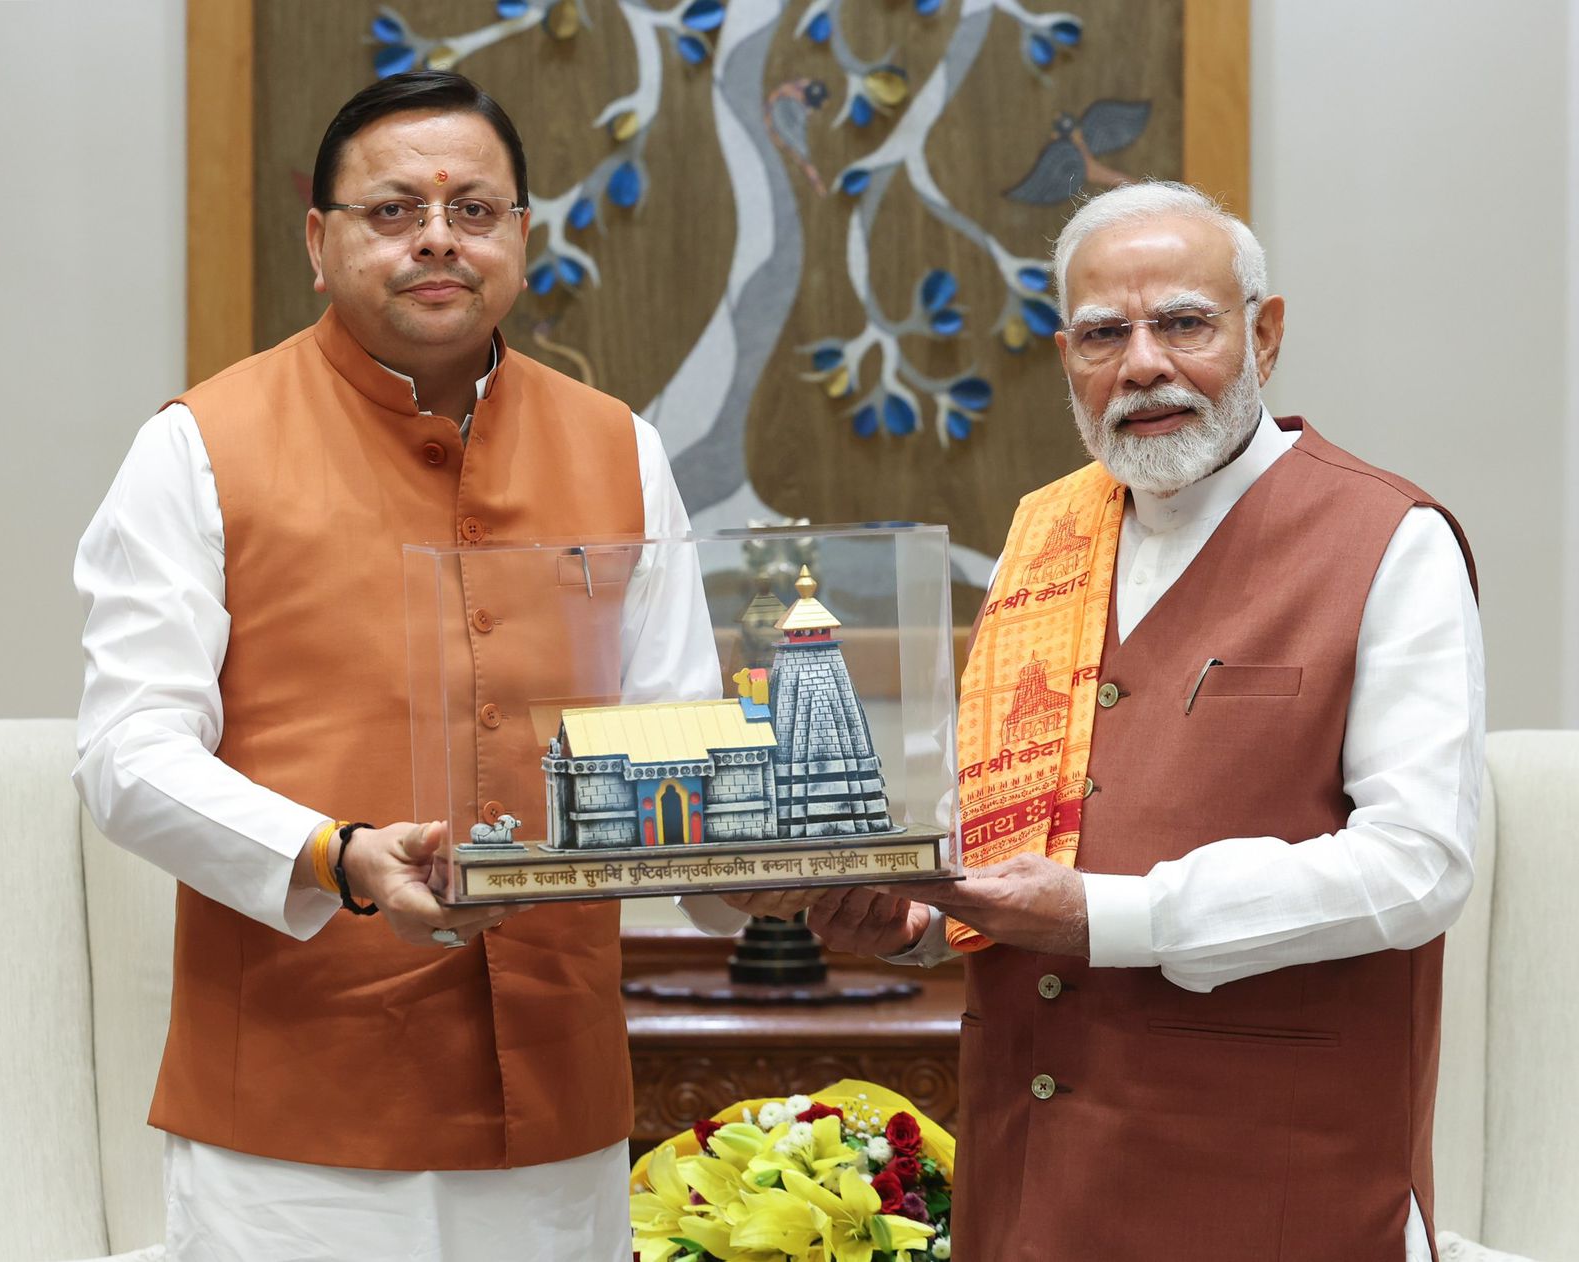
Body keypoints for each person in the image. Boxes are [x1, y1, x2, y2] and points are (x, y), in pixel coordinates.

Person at [74, 71, 718, 1261]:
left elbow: (675, 742)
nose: (437, 237)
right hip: (296, 1118)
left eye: (473, 209)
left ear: (521, 235)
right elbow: (126, 755)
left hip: (558, 1104)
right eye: (392, 210)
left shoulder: (619, 446)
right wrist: (339, 853)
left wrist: (779, 876)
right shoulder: (198, 446)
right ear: (318, 244)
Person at [791, 181, 1485, 1261]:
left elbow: (1417, 865)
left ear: (1265, 334)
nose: (1143, 365)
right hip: (1031, 1178)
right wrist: (922, 923)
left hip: (1269, 1181)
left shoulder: (1389, 538)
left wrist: (1112, 916)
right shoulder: (1043, 538)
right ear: (1066, 356)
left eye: (1184, 323)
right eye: (1103, 334)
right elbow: (1017, 834)